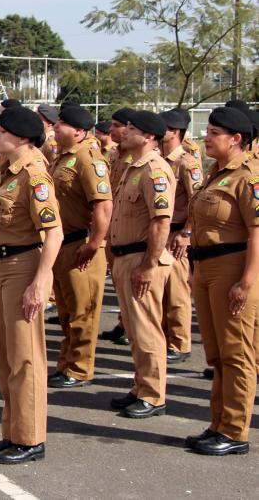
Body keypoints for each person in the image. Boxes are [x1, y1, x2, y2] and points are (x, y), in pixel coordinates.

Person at [0, 106, 63, 464]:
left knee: (25, 357)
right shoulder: (6, 172)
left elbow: (54, 233)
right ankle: (12, 432)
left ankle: (30, 439)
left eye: (3, 130)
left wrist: (40, 283)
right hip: (1, 267)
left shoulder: (34, 176)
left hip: (23, 267)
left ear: (23, 137)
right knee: (7, 355)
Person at [185, 106, 258, 456]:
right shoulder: (216, 173)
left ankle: (234, 431)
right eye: (208, 131)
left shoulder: (249, 177)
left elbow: (257, 233)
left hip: (232, 268)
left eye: (215, 133)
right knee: (216, 353)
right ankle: (218, 423)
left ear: (236, 139)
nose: (207, 137)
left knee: (236, 353)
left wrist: (247, 281)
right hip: (206, 267)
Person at [108, 110, 176, 419]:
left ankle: (153, 394)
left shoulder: (155, 170)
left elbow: (161, 222)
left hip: (142, 257)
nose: (125, 132)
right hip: (126, 256)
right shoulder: (133, 167)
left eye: (132, 128)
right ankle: (140, 387)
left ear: (149, 136)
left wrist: (149, 265)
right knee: (135, 329)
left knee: (147, 329)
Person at [47, 106, 112, 388]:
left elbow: (103, 205)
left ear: (79, 131)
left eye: (62, 123)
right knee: (66, 310)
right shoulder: (63, 157)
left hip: (80, 244)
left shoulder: (89, 159)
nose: (56, 127)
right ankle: (66, 363)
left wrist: (94, 243)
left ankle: (80, 368)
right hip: (62, 243)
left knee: (83, 311)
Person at [160, 108, 202, 364]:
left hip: (177, 233)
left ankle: (179, 343)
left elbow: (197, 202)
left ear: (174, 132)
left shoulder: (187, 163)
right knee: (162, 293)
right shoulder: (160, 159)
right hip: (162, 233)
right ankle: (166, 339)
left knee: (177, 292)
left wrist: (187, 233)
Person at [101, 107, 137, 347]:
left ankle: (131, 327)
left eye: (117, 125)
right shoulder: (115, 155)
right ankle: (123, 323)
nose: (112, 129)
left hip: (132, 233)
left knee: (133, 289)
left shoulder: (140, 159)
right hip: (114, 229)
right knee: (119, 283)